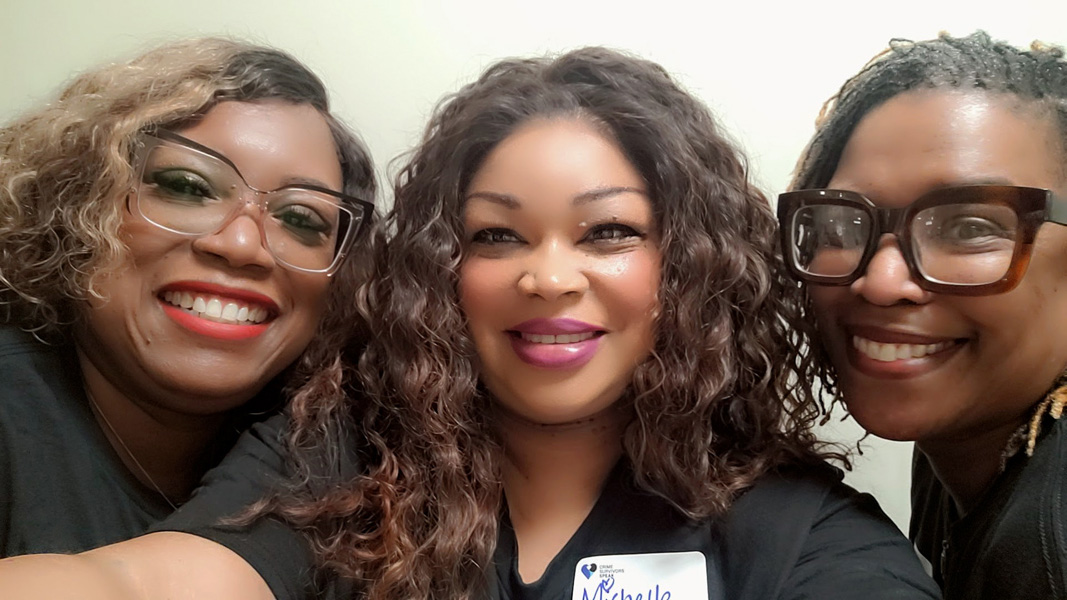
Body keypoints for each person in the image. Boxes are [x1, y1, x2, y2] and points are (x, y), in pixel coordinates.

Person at [0, 47, 938, 599]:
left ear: (686, 264)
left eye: (607, 231)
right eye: (496, 235)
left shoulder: (793, 531)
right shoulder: (348, 455)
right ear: (443, 271)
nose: (546, 275)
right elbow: (157, 580)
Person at [0, 38, 375, 556]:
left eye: (300, 219)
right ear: (76, 202)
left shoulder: (326, 450)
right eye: (187, 186)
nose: (243, 245)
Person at [778, 31, 1067, 599]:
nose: (882, 282)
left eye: (970, 227)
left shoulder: (1049, 550)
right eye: (842, 224)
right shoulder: (965, 432)